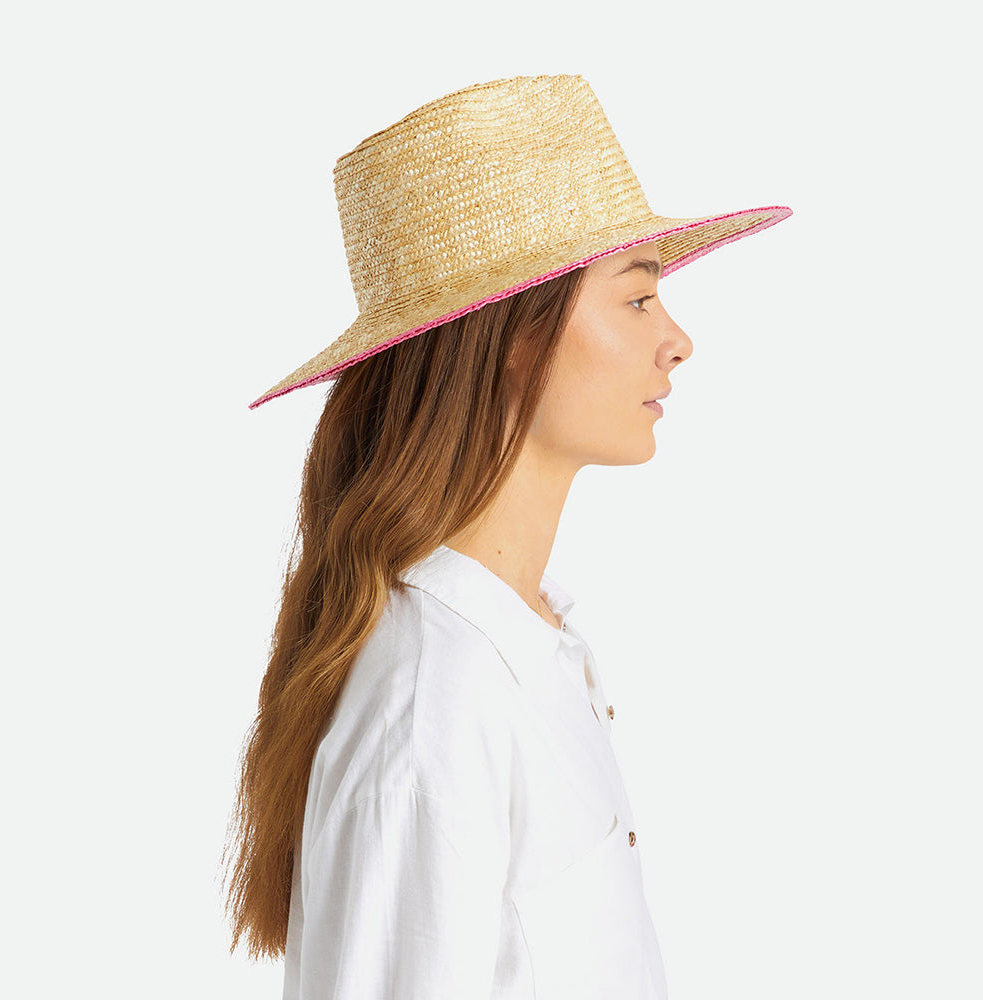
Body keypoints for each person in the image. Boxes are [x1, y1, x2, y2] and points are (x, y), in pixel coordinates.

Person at [224, 74, 792, 999]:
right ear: (515, 339)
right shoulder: (436, 699)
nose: (678, 339)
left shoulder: (524, 650)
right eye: (638, 298)